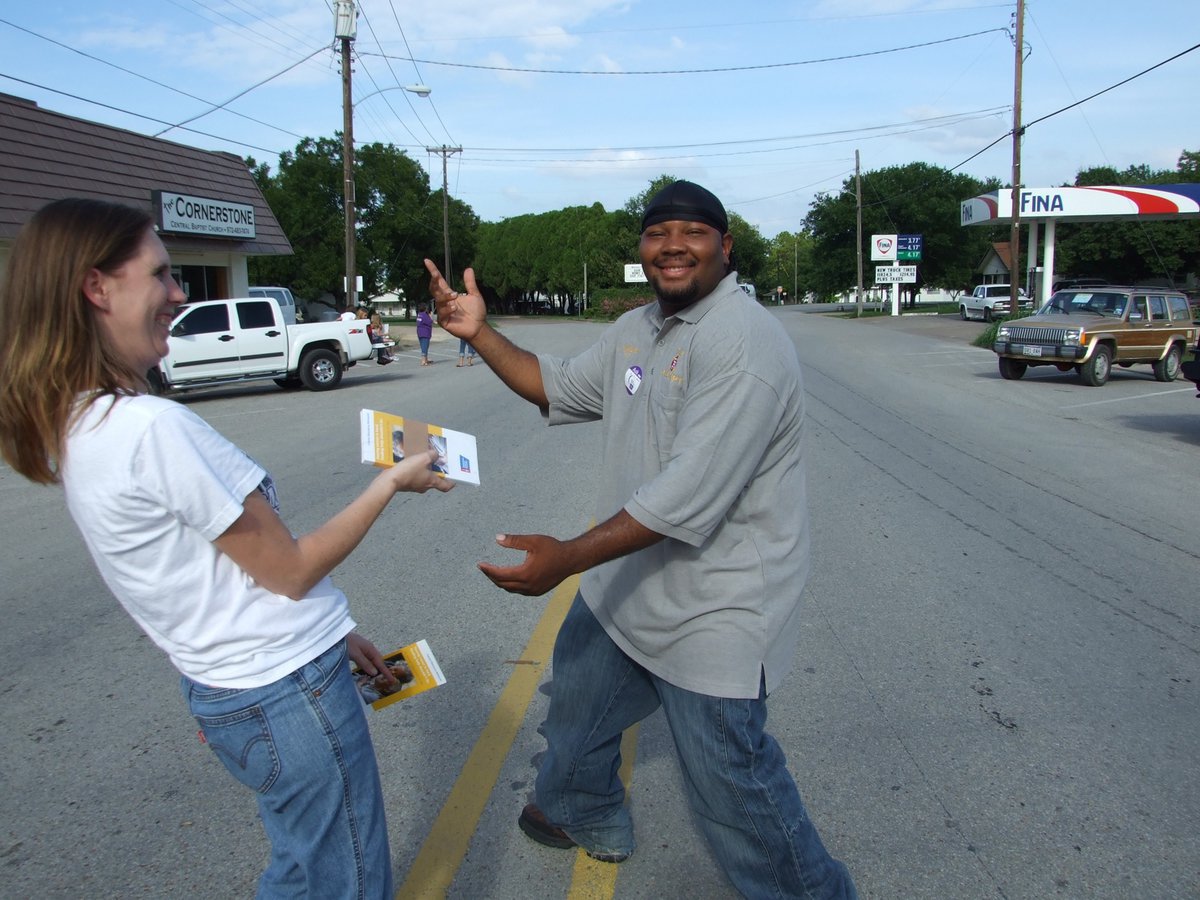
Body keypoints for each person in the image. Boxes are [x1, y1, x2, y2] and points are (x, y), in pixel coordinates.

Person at [0, 198, 455, 899]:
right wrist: (392, 481)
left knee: (301, 870)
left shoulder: (82, 425)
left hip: (234, 693)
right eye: (159, 275)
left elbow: (215, 580)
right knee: (348, 883)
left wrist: (336, 636)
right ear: (97, 288)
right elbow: (291, 570)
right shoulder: (150, 428)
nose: (179, 294)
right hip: (286, 697)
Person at [424, 180, 856, 898]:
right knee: (578, 703)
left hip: (715, 606)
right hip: (629, 582)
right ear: (642, 248)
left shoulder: (742, 343)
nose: (674, 246)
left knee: (733, 792)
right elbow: (555, 384)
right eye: (659, 233)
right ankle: (581, 808)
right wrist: (479, 332)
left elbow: (686, 498)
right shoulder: (638, 330)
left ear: (725, 246)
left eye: (692, 232)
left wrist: (565, 559)